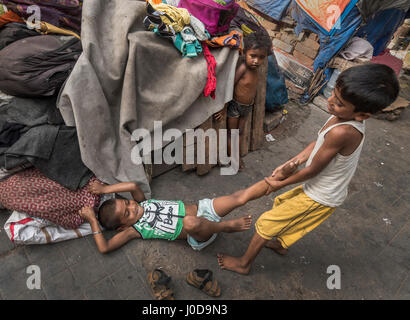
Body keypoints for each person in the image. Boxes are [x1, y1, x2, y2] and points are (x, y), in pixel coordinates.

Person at [217, 64, 400, 274]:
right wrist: (294, 161)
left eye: (339, 103)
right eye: (333, 94)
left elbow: (313, 170)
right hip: (319, 186)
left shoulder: (344, 132)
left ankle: (244, 264)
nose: (330, 101)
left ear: (363, 115)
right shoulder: (341, 116)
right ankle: (280, 244)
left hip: (322, 195)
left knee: (266, 223)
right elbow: (317, 144)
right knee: (282, 205)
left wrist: (280, 183)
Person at [78, 162, 298, 254]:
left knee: (239, 197)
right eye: (127, 213)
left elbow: (133, 186)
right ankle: (226, 227)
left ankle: (275, 179)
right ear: (122, 226)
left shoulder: (142, 201)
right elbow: (104, 248)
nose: (132, 207)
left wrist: (104, 190)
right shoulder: (133, 231)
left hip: (204, 209)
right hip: (199, 234)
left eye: (127, 202)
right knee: (189, 222)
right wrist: (92, 220)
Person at [214, 31, 272, 170]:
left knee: (239, 132)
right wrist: (224, 107)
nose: (256, 61)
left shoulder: (256, 68)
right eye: (253, 56)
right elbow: (230, 86)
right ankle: (235, 159)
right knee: (232, 133)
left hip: (247, 106)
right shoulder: (243, 68)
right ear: (245, 53)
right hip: (235, 106)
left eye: (261, 57)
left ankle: (237, 156)